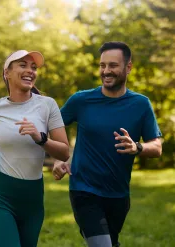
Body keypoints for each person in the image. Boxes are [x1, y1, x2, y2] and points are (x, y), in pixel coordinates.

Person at [53, 41, 162, 247]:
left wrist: (137, 147)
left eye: (112, 65)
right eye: (102, 65)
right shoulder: (81, 100)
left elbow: (156, 147)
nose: (106, 71)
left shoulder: (141, 104)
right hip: (84, 190)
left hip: (118, 195)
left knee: (111, 243)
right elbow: (53, 126)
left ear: (128, 67)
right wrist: (62, 157)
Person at [0, 50, 70, 247]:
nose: (30, 70)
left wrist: (41, 139)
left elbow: (64, 151)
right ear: (7, 73)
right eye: (23, 65)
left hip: (33, 202)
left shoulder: (48, 106)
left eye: (34, 67)